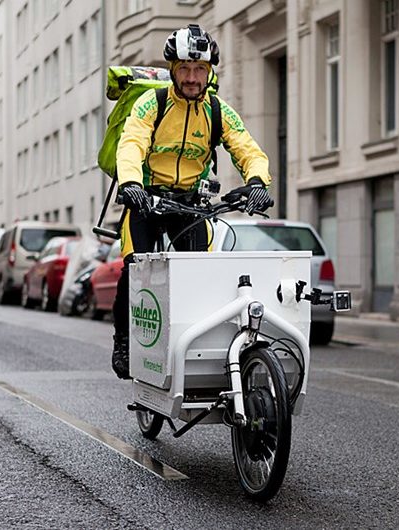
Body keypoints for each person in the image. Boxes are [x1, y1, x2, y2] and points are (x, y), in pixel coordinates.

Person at [111, 24, 274, 379]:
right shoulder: (150, 104)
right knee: (134, 270)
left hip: (190, 203)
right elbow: (132, 144)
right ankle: (124, 339)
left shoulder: (218, 111)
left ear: (210, 71)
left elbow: (248, 149)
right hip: (147, 200)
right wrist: (132, 183)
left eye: (199, 69)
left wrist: (257, 181)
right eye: (184, 68)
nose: (192, 77)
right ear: (173, 70)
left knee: (200, 274)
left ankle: (193, 346)